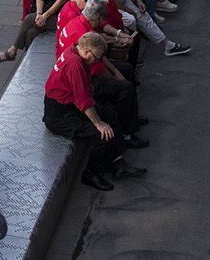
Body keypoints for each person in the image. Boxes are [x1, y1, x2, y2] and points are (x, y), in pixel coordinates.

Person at [43, 32, 143, 192]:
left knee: (110, 113)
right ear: (87, 52)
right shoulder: (75, 64)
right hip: (59, 115)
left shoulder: (74, 51)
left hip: (70, 104)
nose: (97, 61)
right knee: (101, 136)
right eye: (96, 57)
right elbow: (83, 101)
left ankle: (118, 162)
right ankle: (92, 173)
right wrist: (99, 123)